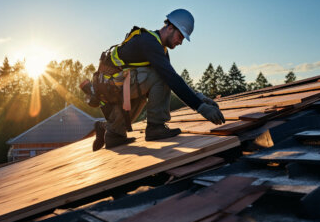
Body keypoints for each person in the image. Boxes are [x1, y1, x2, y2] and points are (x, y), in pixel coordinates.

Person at [93, 9, 225, 151]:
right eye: (180, 36)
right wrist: (200, 107)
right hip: (110, 88)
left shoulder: (159, 48)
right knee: (160, 76)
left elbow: (174, 77)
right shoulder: (149, 42)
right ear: (169, 28)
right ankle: (156, 127)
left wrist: (199, 98)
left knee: (158, 77)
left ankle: (113, 133)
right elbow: (170, 77)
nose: (180, 42)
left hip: (115, 89)